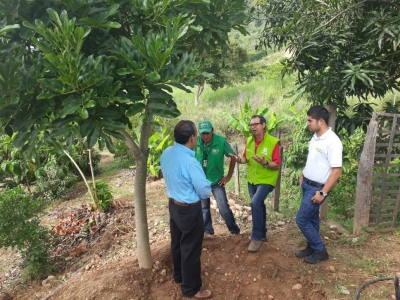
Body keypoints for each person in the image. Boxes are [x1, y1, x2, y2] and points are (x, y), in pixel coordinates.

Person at [160, 120, 213, 299]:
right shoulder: (190, 162)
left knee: (177, 243)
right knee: (190, 249)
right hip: (189, 210)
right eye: (196, 134)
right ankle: (192, 289)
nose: (197, 137)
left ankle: (179, 276)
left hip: (174, 205)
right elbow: (204, 190)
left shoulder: (167, 153)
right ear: (191, 138)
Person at [295, 106, 342, 264]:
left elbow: (336, 171)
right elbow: (313, 160)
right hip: (307, 184)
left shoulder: (333, 142)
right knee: (313, 219)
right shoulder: (315, 137)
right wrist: (303, 173)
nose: (307, 123)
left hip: (317, 188)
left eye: (310, 120)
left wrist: (323, 193)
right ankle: (312, 246)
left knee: (301, 219)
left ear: (321, 121)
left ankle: (320, 251)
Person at [234, 115, 281, 253]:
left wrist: (265, 162)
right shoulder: (249, 141)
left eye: (256, 124)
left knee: (255, 203)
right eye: (251, 125)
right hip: (252, 180)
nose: (253, 127)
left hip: (266, 180)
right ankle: (263, 233)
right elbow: (245, 159)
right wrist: (237, 159)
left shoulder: (273, 142)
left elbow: (277, 164)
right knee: (259, 205)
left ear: (264, 125)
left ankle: (256, 238)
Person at [195, 120, 240, 235]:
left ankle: (234, 230)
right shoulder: (195, 142)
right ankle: (208, 231)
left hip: (216, 181)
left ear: (212, 131)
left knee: (223, 207)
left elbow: (233, 157)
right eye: (202, 133)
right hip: (200, 181)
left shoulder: (221, 141)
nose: (205, 136)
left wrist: (229, 176)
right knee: (204, 208)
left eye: (207, 133)